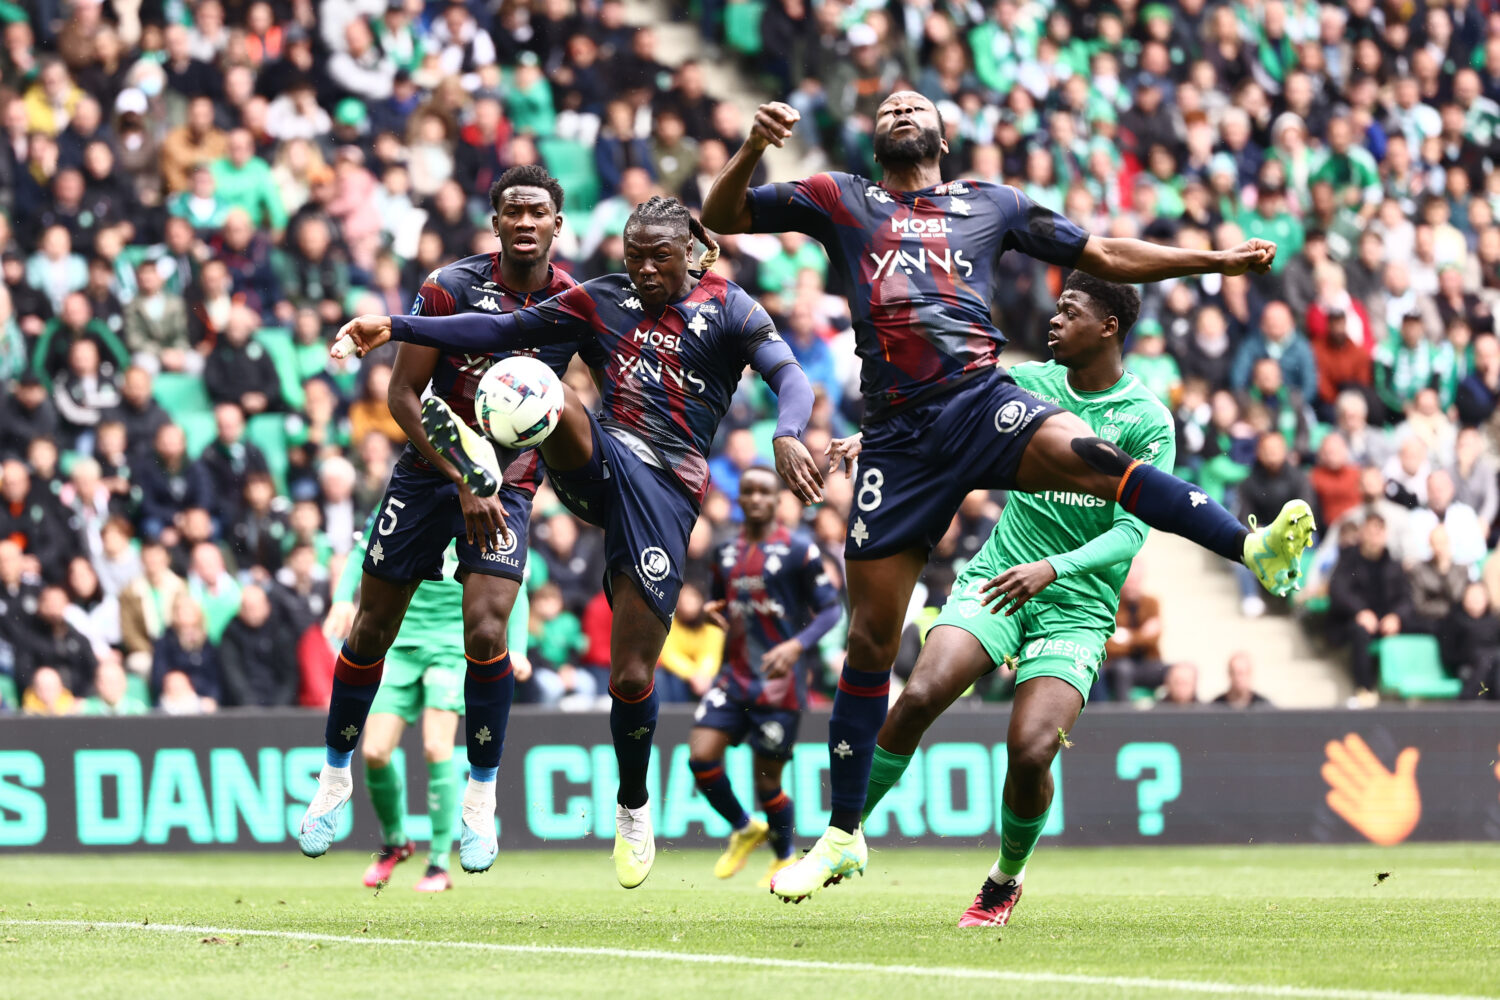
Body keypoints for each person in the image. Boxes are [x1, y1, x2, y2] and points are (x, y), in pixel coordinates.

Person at [699, 91, 1313, 900]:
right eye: (887, 109)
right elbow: (724, 215)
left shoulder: (991, 204)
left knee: (1100, 461)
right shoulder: (840, 198)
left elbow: (1105, 253)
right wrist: (751, 147)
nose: (900, 110)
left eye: (915, 106)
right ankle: (842, 837)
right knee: (872, 646)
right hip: (897, 439)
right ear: (874, 140)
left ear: (944, 136)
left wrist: (1215, 262)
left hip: (981, 401)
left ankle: (1250, 546)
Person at [332, 194, 820, 890]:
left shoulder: (731, 307)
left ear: (688, 252)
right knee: (545, 389)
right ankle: (487, 461)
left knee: (632, 675)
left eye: (658, 256)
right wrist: (398, 325)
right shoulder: (601, 299)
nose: (643, 268)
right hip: (598, 459)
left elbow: (790, 375)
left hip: (666, 489)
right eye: (633, 254)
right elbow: (496, 329)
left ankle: (633, 805)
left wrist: (787, 432)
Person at [854, 273, 1174, 927]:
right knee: (919, 694)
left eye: (1069, 311)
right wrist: (872, 441)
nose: (1053, 320)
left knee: (1030, 751)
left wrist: (1054, 569)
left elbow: (1131, 533)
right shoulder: (1028, 382)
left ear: (1108, 327)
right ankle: (843, 832)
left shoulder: (1147, 420)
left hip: (1075, 604)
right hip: (1000, 575)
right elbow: (941, 418)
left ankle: (1004, 879)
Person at [295, 166, 584, 874]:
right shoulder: (448, 286)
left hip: (510, 483)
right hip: (430, 472)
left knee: (486, 632)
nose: (525, 221)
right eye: (512, 210)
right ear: (495, 222)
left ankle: (481, 797)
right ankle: (334, 776)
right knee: (371, 629)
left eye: (537, 211)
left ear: (557, 224)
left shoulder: (574, 301)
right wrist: (463, 475)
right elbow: (402, 393)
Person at [322, 509, 530, 893]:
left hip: (451, 646)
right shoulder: (411, 494)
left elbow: (511, 580)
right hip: (399, 642)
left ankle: (438, 862)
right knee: (375, 753)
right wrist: (340, 600)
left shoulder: (483, 508)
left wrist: (517, 648)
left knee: (437, 748)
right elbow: (361, 552)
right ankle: (396, 842)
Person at [688, 465, 841, 887]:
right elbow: (720, 601)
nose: (755, 498)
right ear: (739, 499)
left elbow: (830, 610)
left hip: (779, 684)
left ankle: (784, 857)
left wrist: (796, 646)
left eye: (764, 492)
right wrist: (712, 611)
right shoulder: (724, 551)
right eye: (748, 492)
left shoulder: (800, 550)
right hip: (733, 676)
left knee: (767, 782)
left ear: (777, 500)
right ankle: (743, 827)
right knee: (700, 757)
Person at [1329, 513, 1410, 708]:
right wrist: (1360, 611)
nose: (1375, 537)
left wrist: (1396, 616)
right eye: (1371, 531)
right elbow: (1338, 591)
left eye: (1379, 531)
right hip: (1353, 623)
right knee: (1360, 632)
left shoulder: (1393, 564)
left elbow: (1407, 598)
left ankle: (1406, 688)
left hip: (1385, 623)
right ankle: (1364, 690)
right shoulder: (1348, 560)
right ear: (1362, 533)